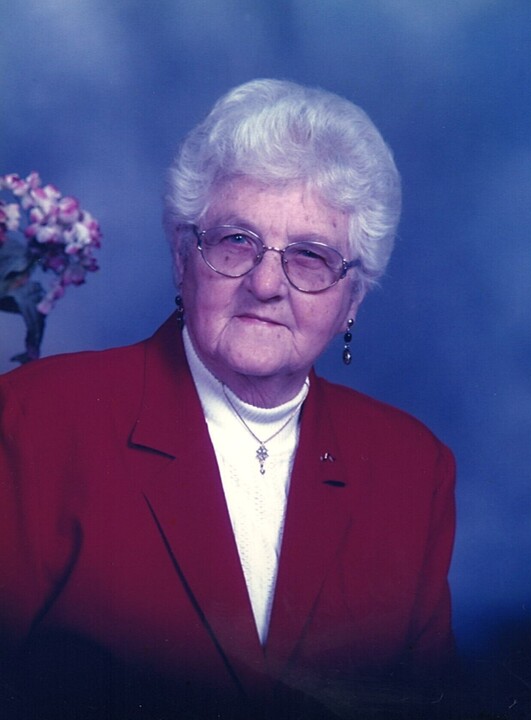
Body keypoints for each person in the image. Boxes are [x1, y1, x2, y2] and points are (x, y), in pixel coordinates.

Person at [0, 79, 456, 719]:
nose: (267, 284)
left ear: (352, 298)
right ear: (182, 257)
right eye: (237, 240)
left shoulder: (412, 467)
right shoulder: (35, 420)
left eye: (311, 256)